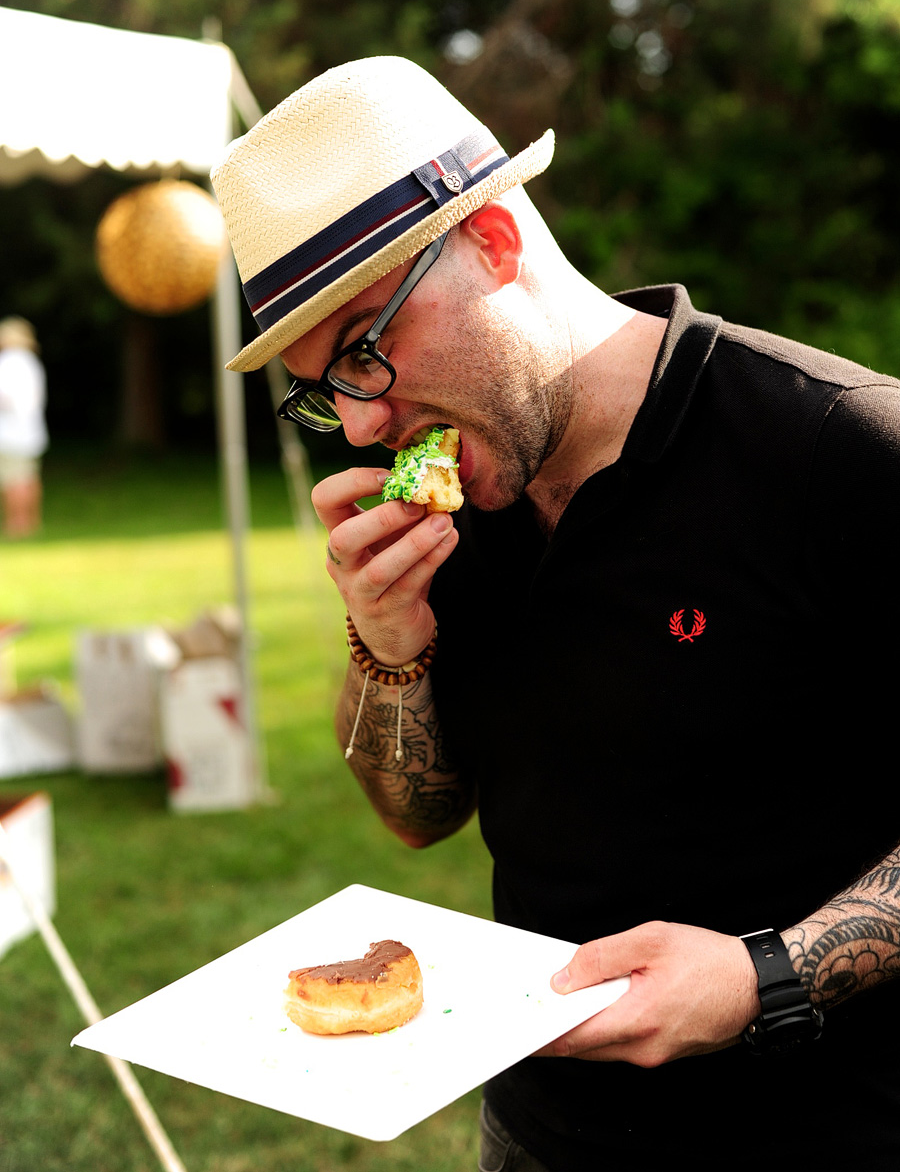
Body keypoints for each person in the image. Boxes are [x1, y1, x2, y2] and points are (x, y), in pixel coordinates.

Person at [211, 57, 900, 1169]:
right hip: (536, 1132)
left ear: (494, 239)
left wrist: (764, 975)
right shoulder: (457, 503)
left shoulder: (838, 447)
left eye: (367, 351)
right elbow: (418, 815)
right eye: (325, 385)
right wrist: (387, 648)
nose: (362, 422)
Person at [0, 317, 47, 538]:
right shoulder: (31, 362)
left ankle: (15, 525)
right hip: (31, 432)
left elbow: (5, 397)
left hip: (11, 433)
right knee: (28, 478)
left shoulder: (9, 362)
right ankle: (31, 523)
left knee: (13, 480)